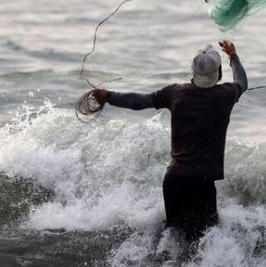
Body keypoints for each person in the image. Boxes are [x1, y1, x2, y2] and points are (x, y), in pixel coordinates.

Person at [92, 39, 247, 243]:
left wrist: (109, 96)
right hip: (202, 182)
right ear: (217, 74)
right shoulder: (225, 94)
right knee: (203, 243)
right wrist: (233, 56)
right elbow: (242, 82)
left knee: (175, 241)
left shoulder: (175, 92)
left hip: (174, 181)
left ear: (193, 72)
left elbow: (139, 101)